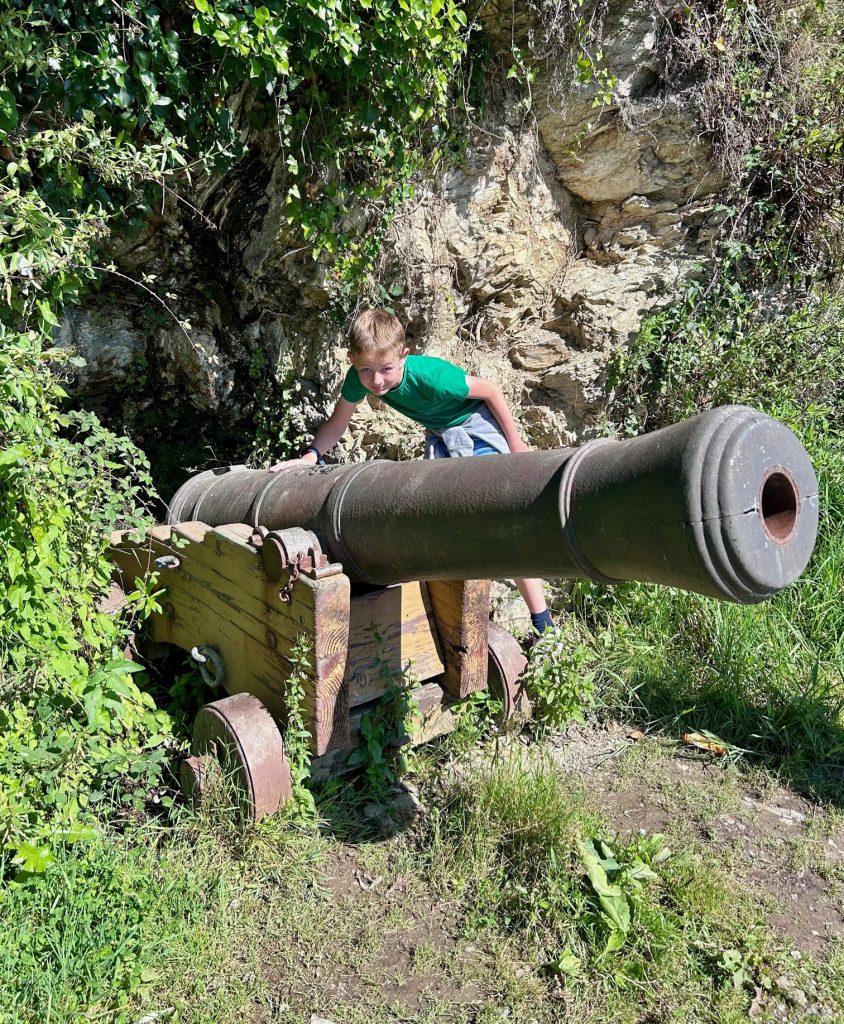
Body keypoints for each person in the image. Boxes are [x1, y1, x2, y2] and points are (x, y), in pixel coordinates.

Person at [269, 308, 555, 633]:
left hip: (474, 424)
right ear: (351, 359)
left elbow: (489, 391)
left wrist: (515, 444)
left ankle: (542, 620)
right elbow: (338, 422)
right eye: (365, 369)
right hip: (440, 433)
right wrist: (311, 456)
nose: (376, 381)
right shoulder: (359, 378)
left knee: (499, 518)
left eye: (386, 369)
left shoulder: (430, 377)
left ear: (404, 356)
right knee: (441, 513)